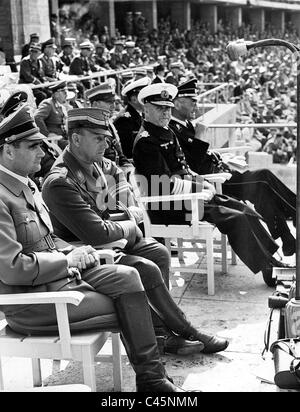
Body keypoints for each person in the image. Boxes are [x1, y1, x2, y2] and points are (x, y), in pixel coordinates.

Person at [0, 103, 187, 392]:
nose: (43, 152)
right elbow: (13, 269)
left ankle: (154, 375)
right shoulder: (4, 197)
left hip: (58, 279)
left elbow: (47, 241)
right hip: (32, 302)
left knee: (129, 277)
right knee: (131, 299)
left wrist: (84, 253)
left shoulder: (25, 186)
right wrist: (68, 260)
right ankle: (154, 378)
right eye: (34, 146)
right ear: (8, 150)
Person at [42, 107, 229, 357]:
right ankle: (184, 330)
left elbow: (118, 180)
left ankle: (161, 333)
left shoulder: (97, 164)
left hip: (113, 239)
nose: (106, 144)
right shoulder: (61, 181)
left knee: (159, 252)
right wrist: (130, 221)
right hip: (87, 251)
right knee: (146, 266)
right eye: (98, 138)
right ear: (76, 139)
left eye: (106, 138)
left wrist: (125, 209)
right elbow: (96, 233)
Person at [132, 82, 293, 288]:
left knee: (243, 208)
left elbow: (184, 169)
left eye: (168, 108)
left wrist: (204, 182)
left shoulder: (165, 132)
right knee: (237, 218)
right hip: (169, 206)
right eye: (159, 108)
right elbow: (164, 184)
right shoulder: (147, 141)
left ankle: (270, 260)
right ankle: (268, 269)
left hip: (187, 198)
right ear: (146, 109)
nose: (165, 112)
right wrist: (200, 188)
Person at [169, 78, 296, 260]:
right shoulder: (173, 130)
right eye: (193, 101)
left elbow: (203, 156)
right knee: (264, 177)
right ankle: (294, 213)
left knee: (263, 192)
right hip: (213, 182)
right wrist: (199, 137)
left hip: (221, 172)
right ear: (177, 102)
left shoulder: (186, 124)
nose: (196, 105)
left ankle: (287, 239)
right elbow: (191, 167)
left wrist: (222, 158)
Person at [85, 82, 133, 175]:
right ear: (95, 104)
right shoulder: (89, 128)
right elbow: (96, 165)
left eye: (114, 102)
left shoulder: (108, 123)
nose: (113, 106)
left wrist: (129, 167)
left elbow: (120, 155)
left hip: (117, 172)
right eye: (108, 102)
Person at [113, 76, 151, 158]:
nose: (148, 101)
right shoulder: (124, 119)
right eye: (144, 98)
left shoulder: (141, 114)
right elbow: (128, 150)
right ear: (134, 99)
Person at [34, 80, 69, 150]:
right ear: (56, 94)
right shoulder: (48, 104)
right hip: (54, 140)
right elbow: (37, 117)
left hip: (62, 137)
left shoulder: (60, 106)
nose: (66, 95)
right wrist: (47, 134)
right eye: (64, 92)